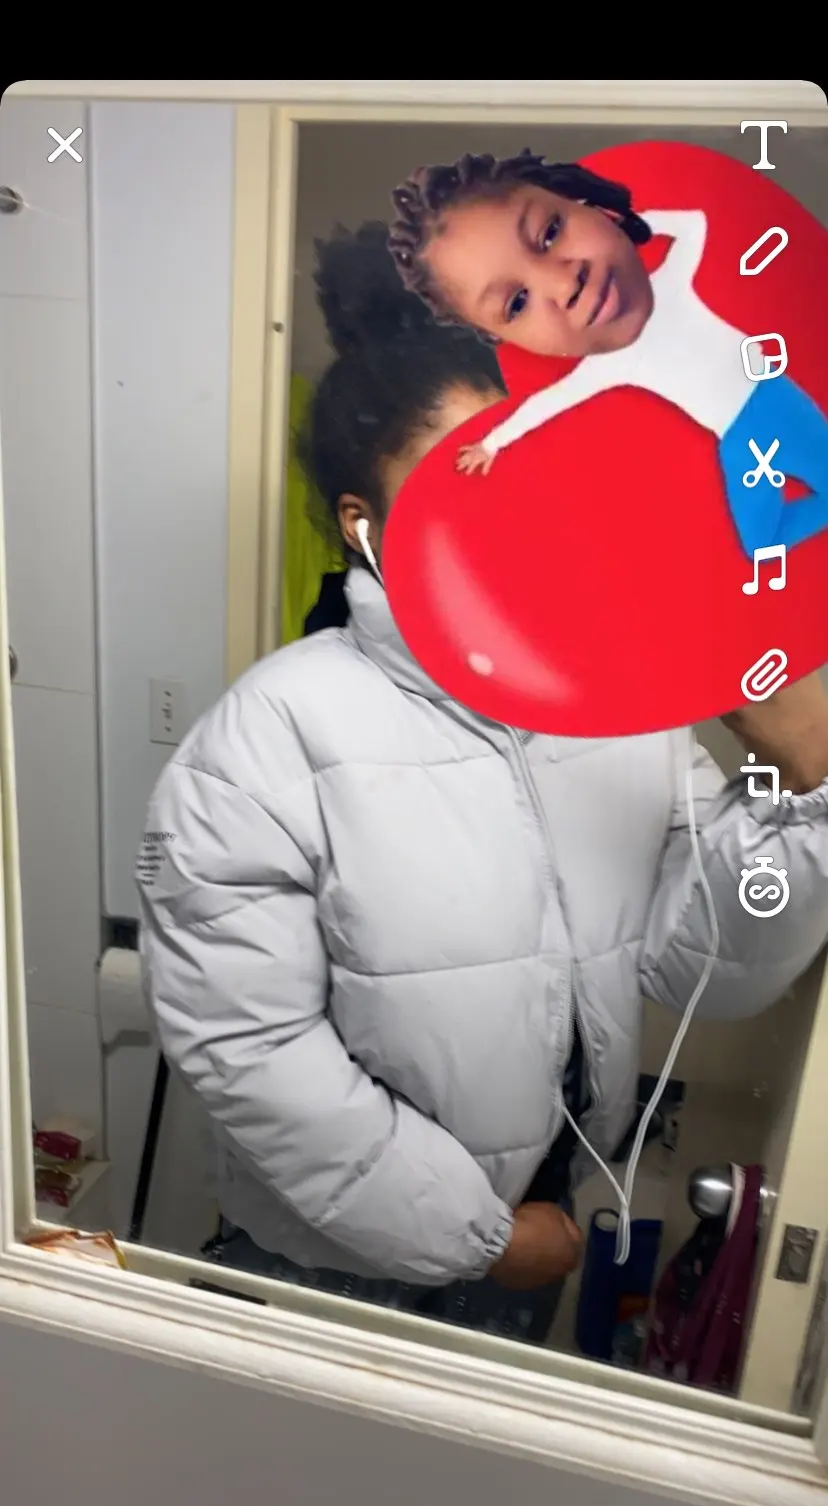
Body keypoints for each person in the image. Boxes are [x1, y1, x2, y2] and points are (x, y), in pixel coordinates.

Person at [137, 220, 828, 1353]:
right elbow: (249, 1048)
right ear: (365, 526)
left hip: (540, 1232)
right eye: (466, 484)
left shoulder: (626, 705)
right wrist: (482, 1237)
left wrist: (809, 775)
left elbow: (705, 970)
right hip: (336, 1262)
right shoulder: (265, 739)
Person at [388, 149, 828, 556]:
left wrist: (636, 222)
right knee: (759, 543)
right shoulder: (606, 368)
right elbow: (547, 404)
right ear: (504, 340)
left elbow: (695, 224)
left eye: (550, 232)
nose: (565, 284)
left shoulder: (672, 285)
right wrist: (491, 444)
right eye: (517, 303)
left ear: (592, 208)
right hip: (737, 439)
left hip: (773, 400)